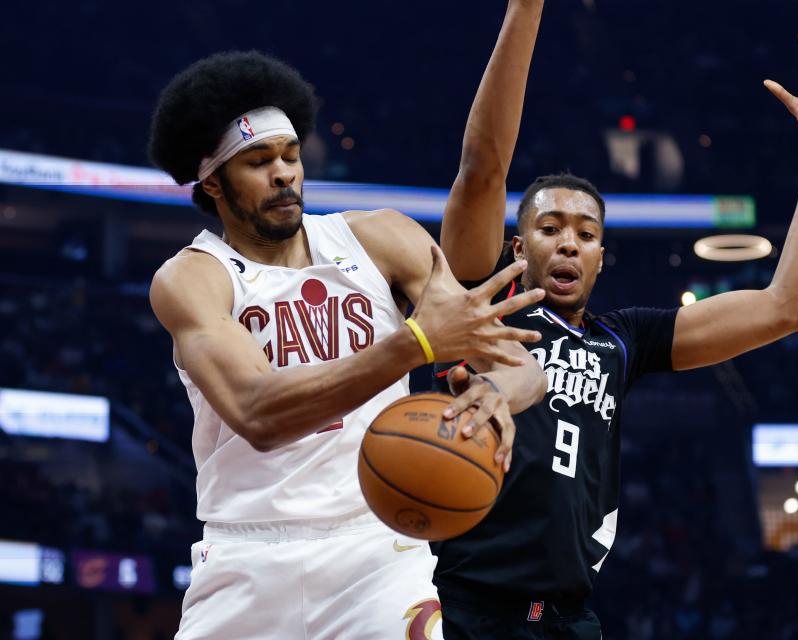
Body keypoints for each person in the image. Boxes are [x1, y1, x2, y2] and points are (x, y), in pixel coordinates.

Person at [433, 20, 798, 639]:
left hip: (568, 618)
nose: (569, 244)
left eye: (586, 233)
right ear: (516, 246)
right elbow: (482, 169)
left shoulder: (622, 341)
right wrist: (526, 10)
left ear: (602, 258)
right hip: (464, 606)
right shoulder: (480, 300)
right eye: (550, 228)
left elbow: (786, 306)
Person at [147, 50, 547, 639]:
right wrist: (414, 343)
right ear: (213, 181)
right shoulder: (193, 278)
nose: (284, 173)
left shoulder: (379, 238)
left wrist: (494, 388)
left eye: (290, 156)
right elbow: (260, 412)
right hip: (245, 556)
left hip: (377, 550)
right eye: (258, 162)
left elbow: (523, 370)